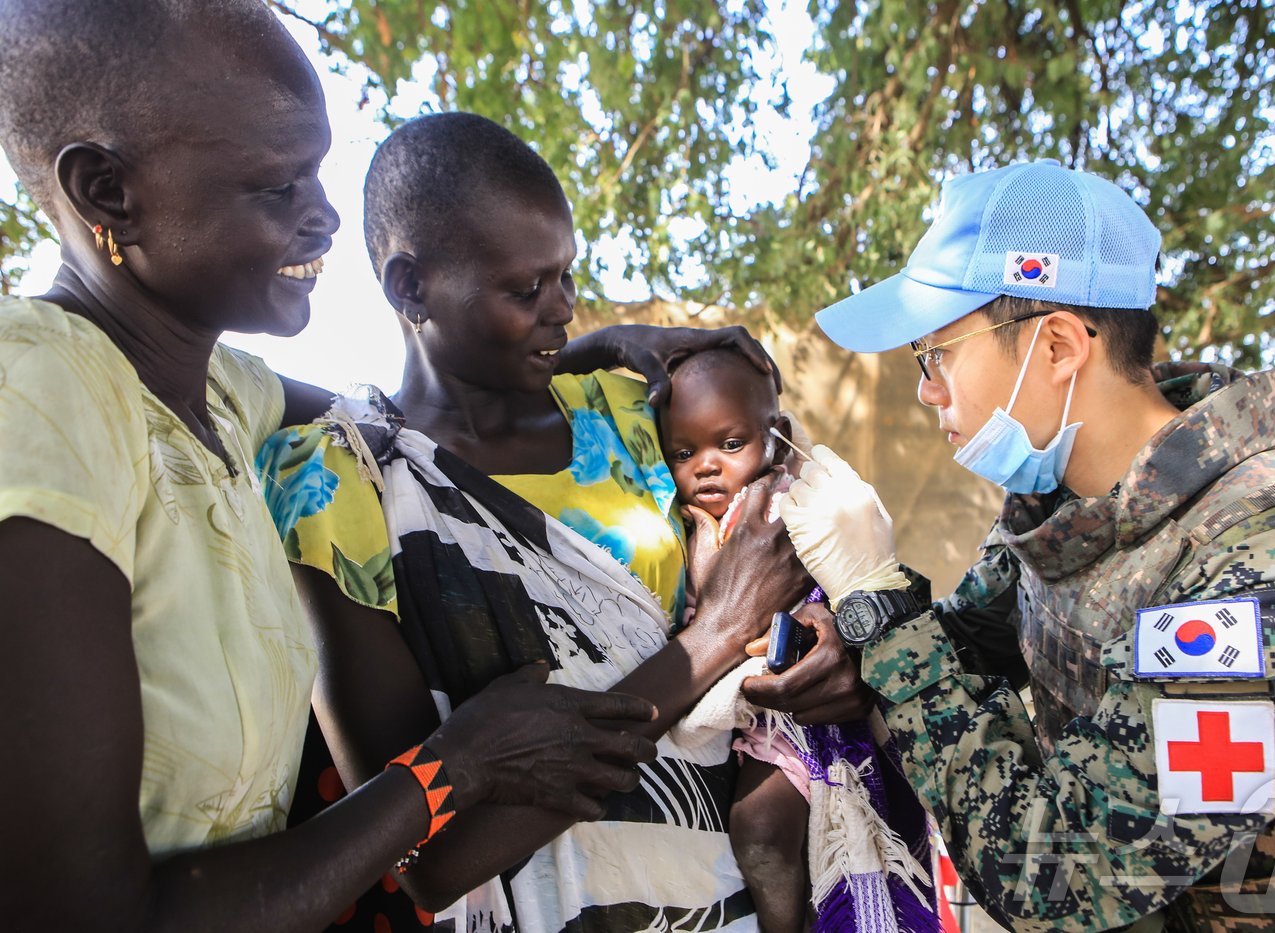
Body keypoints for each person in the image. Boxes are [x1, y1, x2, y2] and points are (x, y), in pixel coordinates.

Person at [0, 3, 672, 930]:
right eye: (277, 187)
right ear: (108, 191)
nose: (322, 218)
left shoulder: (222, 394)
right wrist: (451, 768)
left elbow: (413, 416)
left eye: (317, 170)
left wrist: (602, 351)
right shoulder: (37, 398)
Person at [258, 112, 864, 932]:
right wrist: (714, 632)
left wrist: (822, 644)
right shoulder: (336, 488)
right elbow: (426, 857)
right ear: (410, 287)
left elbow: (780, 560)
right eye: (526, 289)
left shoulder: (629, 420)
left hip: (725, 899)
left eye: (567, 276)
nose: (565, 310)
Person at [776, 159, 1275, 930]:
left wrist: (877, 598)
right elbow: (966, 645)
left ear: (1059, 347)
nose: (927, 389)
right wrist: (847, 622)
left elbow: (1061, 873)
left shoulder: (1262, 582)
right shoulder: (1070, 506)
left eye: (937, 353)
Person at [659, 348, 939, 932]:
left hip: (806, 706)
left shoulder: (791, 506)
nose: (707, 466)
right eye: (684, 453)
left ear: (777, 436)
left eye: (730, 445)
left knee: (761, 827)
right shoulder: (677, 520)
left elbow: (829, 586)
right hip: (739, 705)